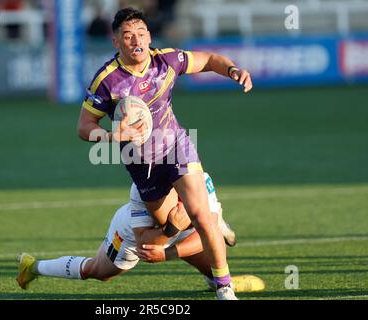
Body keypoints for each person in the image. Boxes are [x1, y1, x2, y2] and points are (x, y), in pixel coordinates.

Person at [77, 7, 252, 300]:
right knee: (168, 226)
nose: (136, 41)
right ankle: (206, 226)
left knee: (199, 215)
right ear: (116, 41)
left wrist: (232, 69)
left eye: (141, 34)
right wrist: (110, 136)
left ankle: (225, 288)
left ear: (149, 35)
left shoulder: (166, 60)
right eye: (128, 36)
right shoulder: (106, 80)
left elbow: (208, 59)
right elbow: (84, 127)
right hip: (141, 163)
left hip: (176, 146)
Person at [16, 172, 237, 296]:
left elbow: (207, 233)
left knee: (212, 259)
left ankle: (217, 281)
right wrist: (173, 230)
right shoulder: (144, 187)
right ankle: (32, 267)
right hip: (134, 235)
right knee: (99, 271)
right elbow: (146, 245)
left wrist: (171, 251)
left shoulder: (199, 179)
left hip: (180, 230)